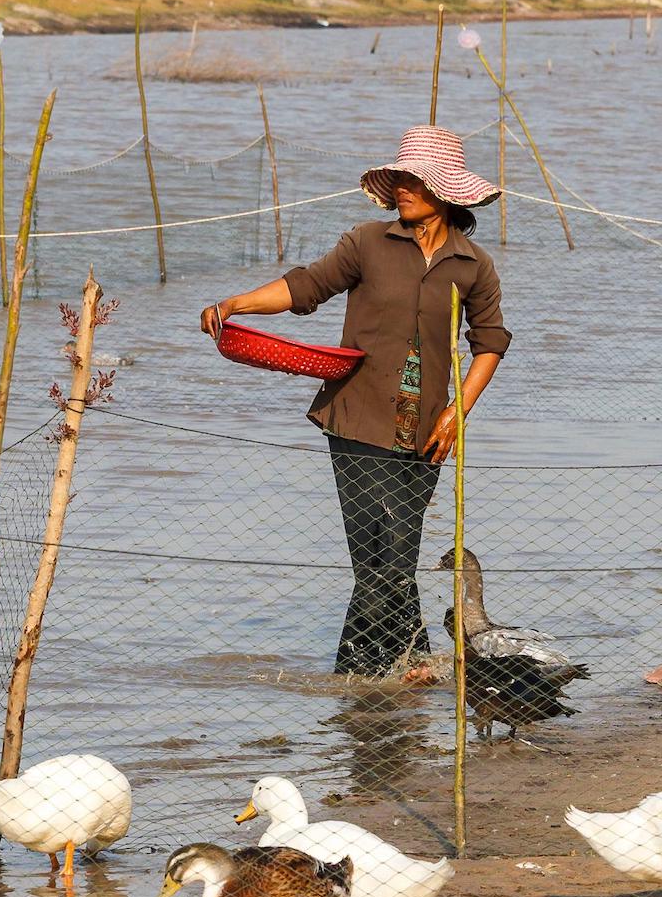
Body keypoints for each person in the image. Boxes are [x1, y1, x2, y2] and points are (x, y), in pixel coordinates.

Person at [201, 125, 509, 679]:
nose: (403, 189)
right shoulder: (366, 242)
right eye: (399, 180)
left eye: (414, 180)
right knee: (380, 557)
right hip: (357, 417)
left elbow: (489, 344)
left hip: (427, 430)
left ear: (446, 191)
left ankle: (388, 675)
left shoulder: (474, 265)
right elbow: (306, 287)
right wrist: (236, 303)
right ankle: (366, 675)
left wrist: (456, 412)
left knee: (392, 555)